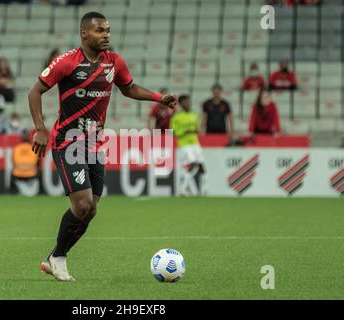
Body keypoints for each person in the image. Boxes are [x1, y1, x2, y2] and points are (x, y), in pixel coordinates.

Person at [28, 12, 177, 281]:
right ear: (84, 33)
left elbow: (129, 88)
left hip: (94, 144)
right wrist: (40, 128)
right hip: (67, 142)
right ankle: (58, 258)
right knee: (82, 204)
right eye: (99, 30)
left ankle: (55, 256)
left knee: (92, 209)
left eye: (107, 29)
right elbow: (34, 91)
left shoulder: (114, 62)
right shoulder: (67, 62)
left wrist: (158, 97)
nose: (106, 34)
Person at [170, 95, 206, 196]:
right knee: (193, 163)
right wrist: (186, 131)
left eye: (188, 101)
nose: (187, 103)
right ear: (181, 104)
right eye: (185, 101)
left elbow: (198, 129)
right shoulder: (177, 117)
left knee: (201, 165)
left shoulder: (194, 115)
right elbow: (173, 132)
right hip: (184, 144)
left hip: (195, 143)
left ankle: (204, 189)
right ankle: (183, 188)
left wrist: (198, 129)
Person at [11, 131, 40, 196]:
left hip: (18, 174)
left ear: (21, 139)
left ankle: (12, 192)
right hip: (31, 174)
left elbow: (13, 161)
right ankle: (40, 192)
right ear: (29, 139)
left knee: (12, 171)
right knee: (39, 171)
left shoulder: (16, 148)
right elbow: (37, 162)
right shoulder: (34, 148)